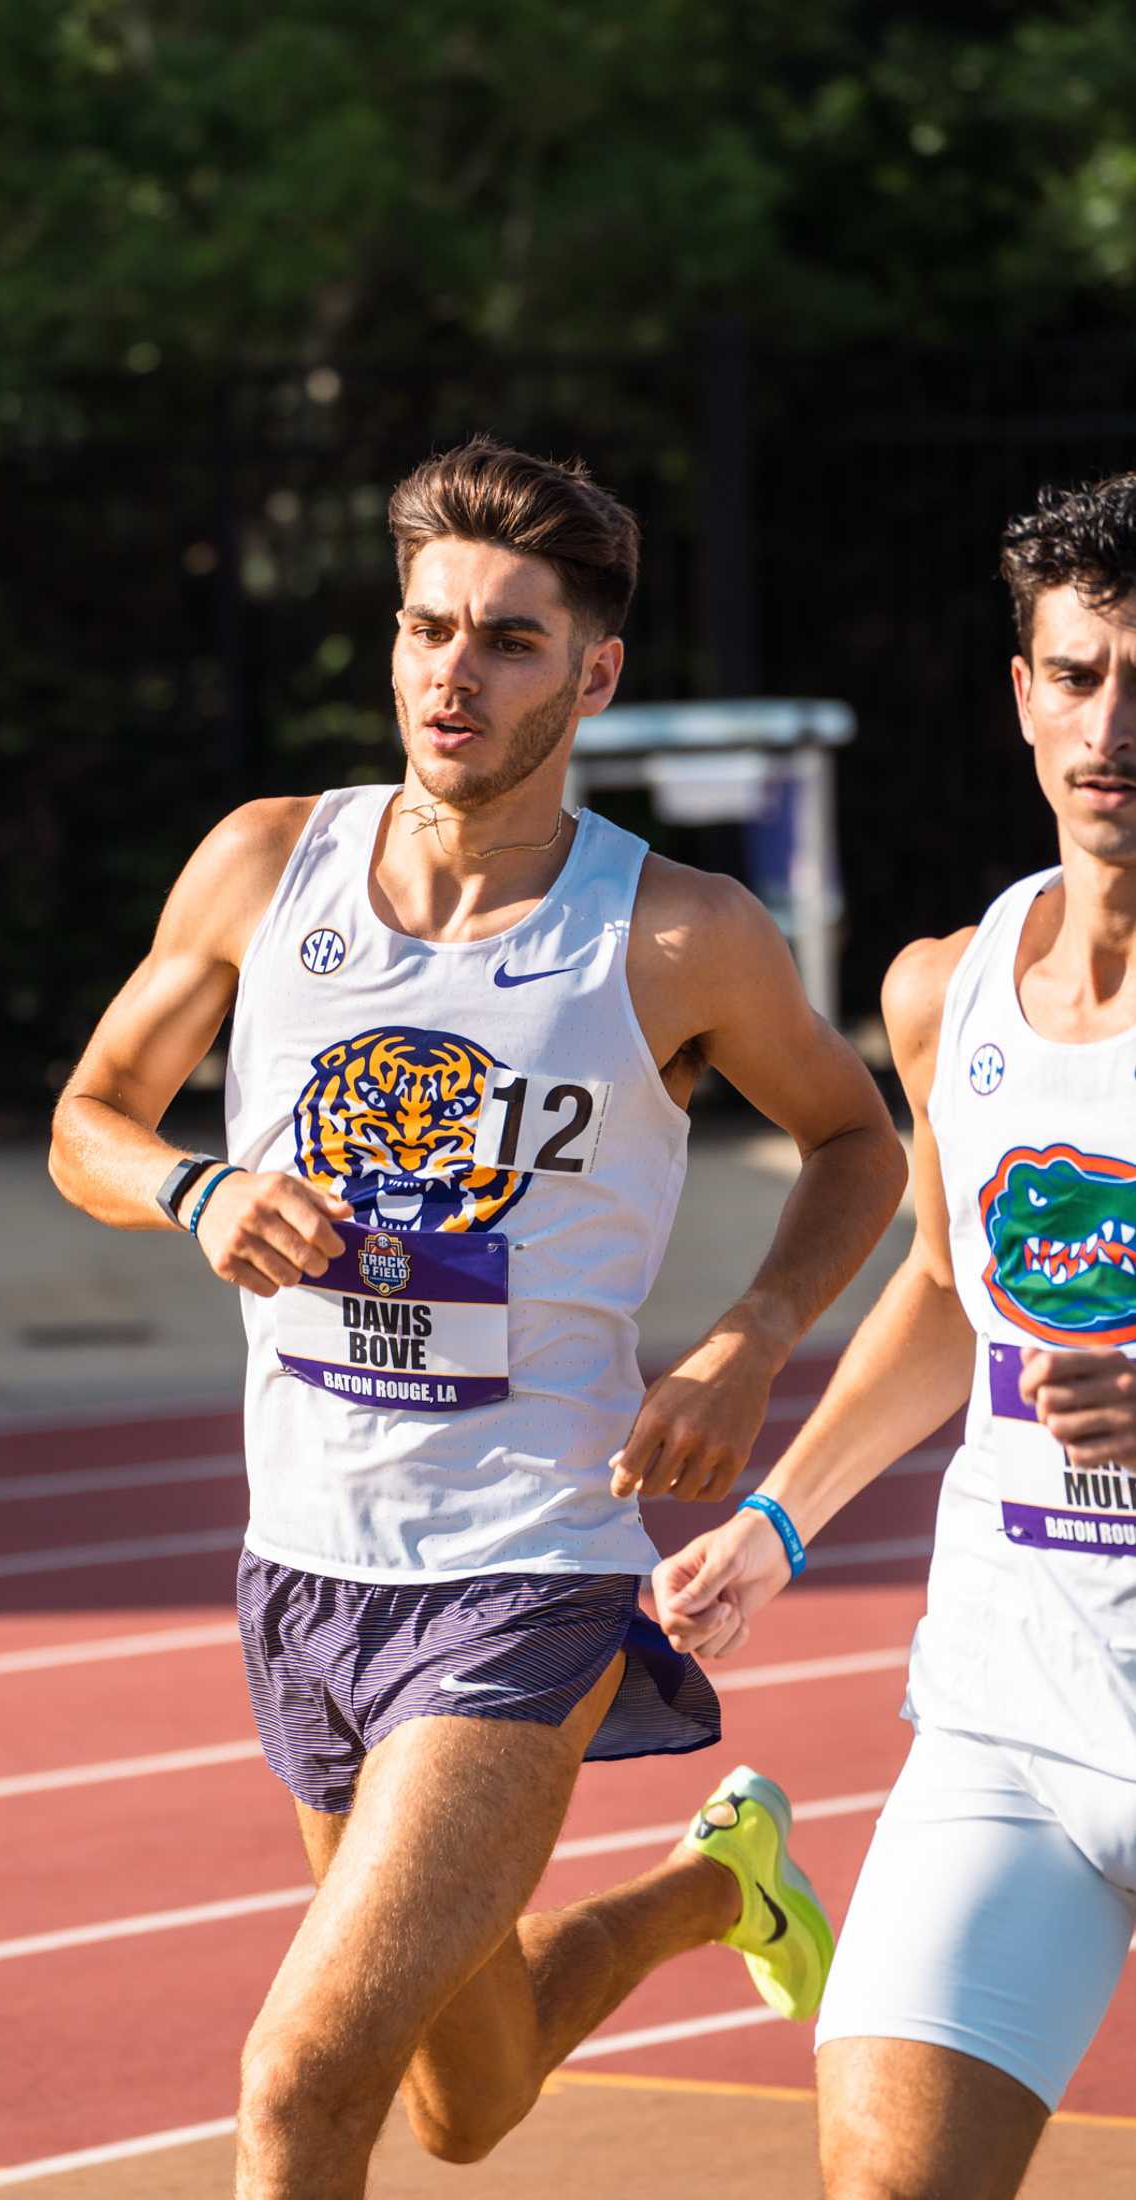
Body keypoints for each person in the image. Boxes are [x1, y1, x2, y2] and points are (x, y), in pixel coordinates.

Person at [49, 438, 906, 2200]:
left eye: (510, 639)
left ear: (594, 674)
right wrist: (196, 1189)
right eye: (429, 626)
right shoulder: (261, 868)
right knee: (464, 2096)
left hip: (524, 1565)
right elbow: (87, 1123)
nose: (455, 671)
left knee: (300, 2084)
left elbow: (853, 1143)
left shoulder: (677, 936)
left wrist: (749, 1336)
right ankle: (715, 1887)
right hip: (302, 1558)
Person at [653, 473, 1136, 2200]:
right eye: (1077, 675)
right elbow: (945, 1289)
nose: (1111, 726)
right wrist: (783, 1519)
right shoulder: (950, 987)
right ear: (1021, 692)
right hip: (1016, 1713)